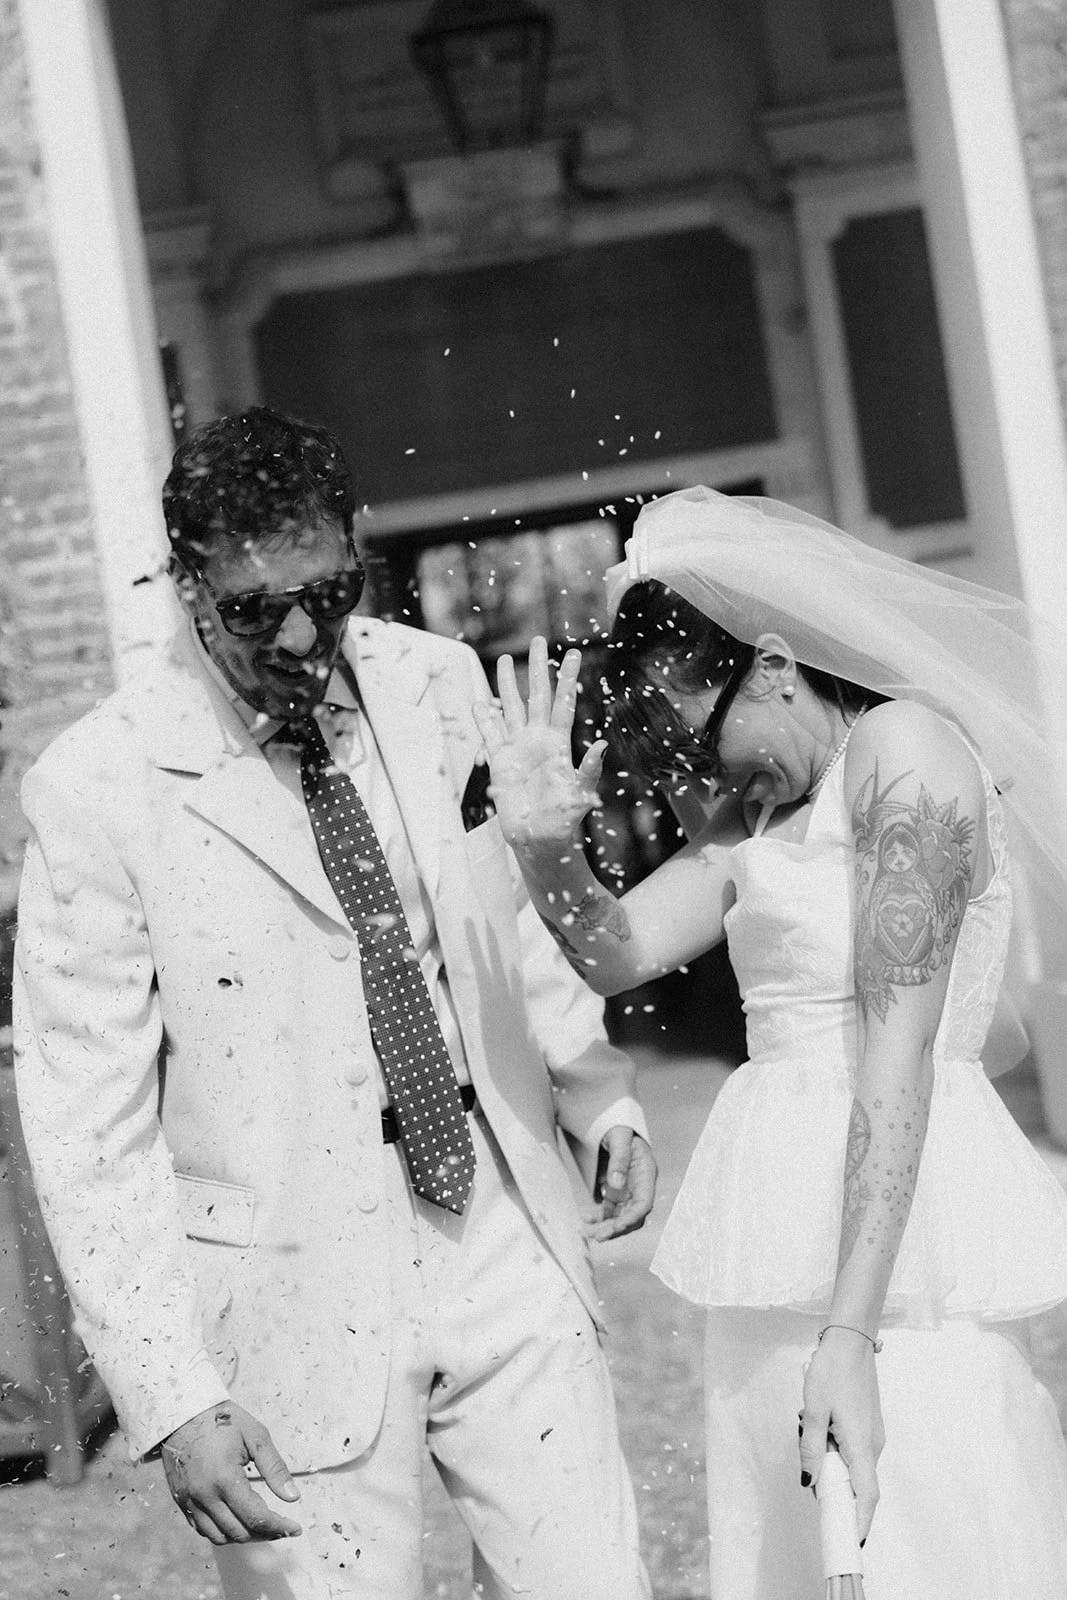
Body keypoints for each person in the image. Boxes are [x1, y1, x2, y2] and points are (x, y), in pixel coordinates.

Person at [12, 406, 656, 1600]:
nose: (306, 632)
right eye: (256, 608)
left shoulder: (439, 684)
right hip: (280, 1296)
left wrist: (596, 1093)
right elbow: (86, 1127)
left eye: (329, 586)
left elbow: (502, 912)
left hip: (499, 1220)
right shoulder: (96, 788)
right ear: (186, 584)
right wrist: (170, 1393)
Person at [473, 485, 1067, 1600]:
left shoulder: (904, 750)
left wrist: (850, 1332)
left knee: (927, 1536)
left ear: (777, 663)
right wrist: (543, 839)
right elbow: (608, 949)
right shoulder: (752, 817)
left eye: (693, 724)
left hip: (898, 1259)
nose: (691, 762)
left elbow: (895, 1052)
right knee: (789, 1552)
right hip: (772, 1244)